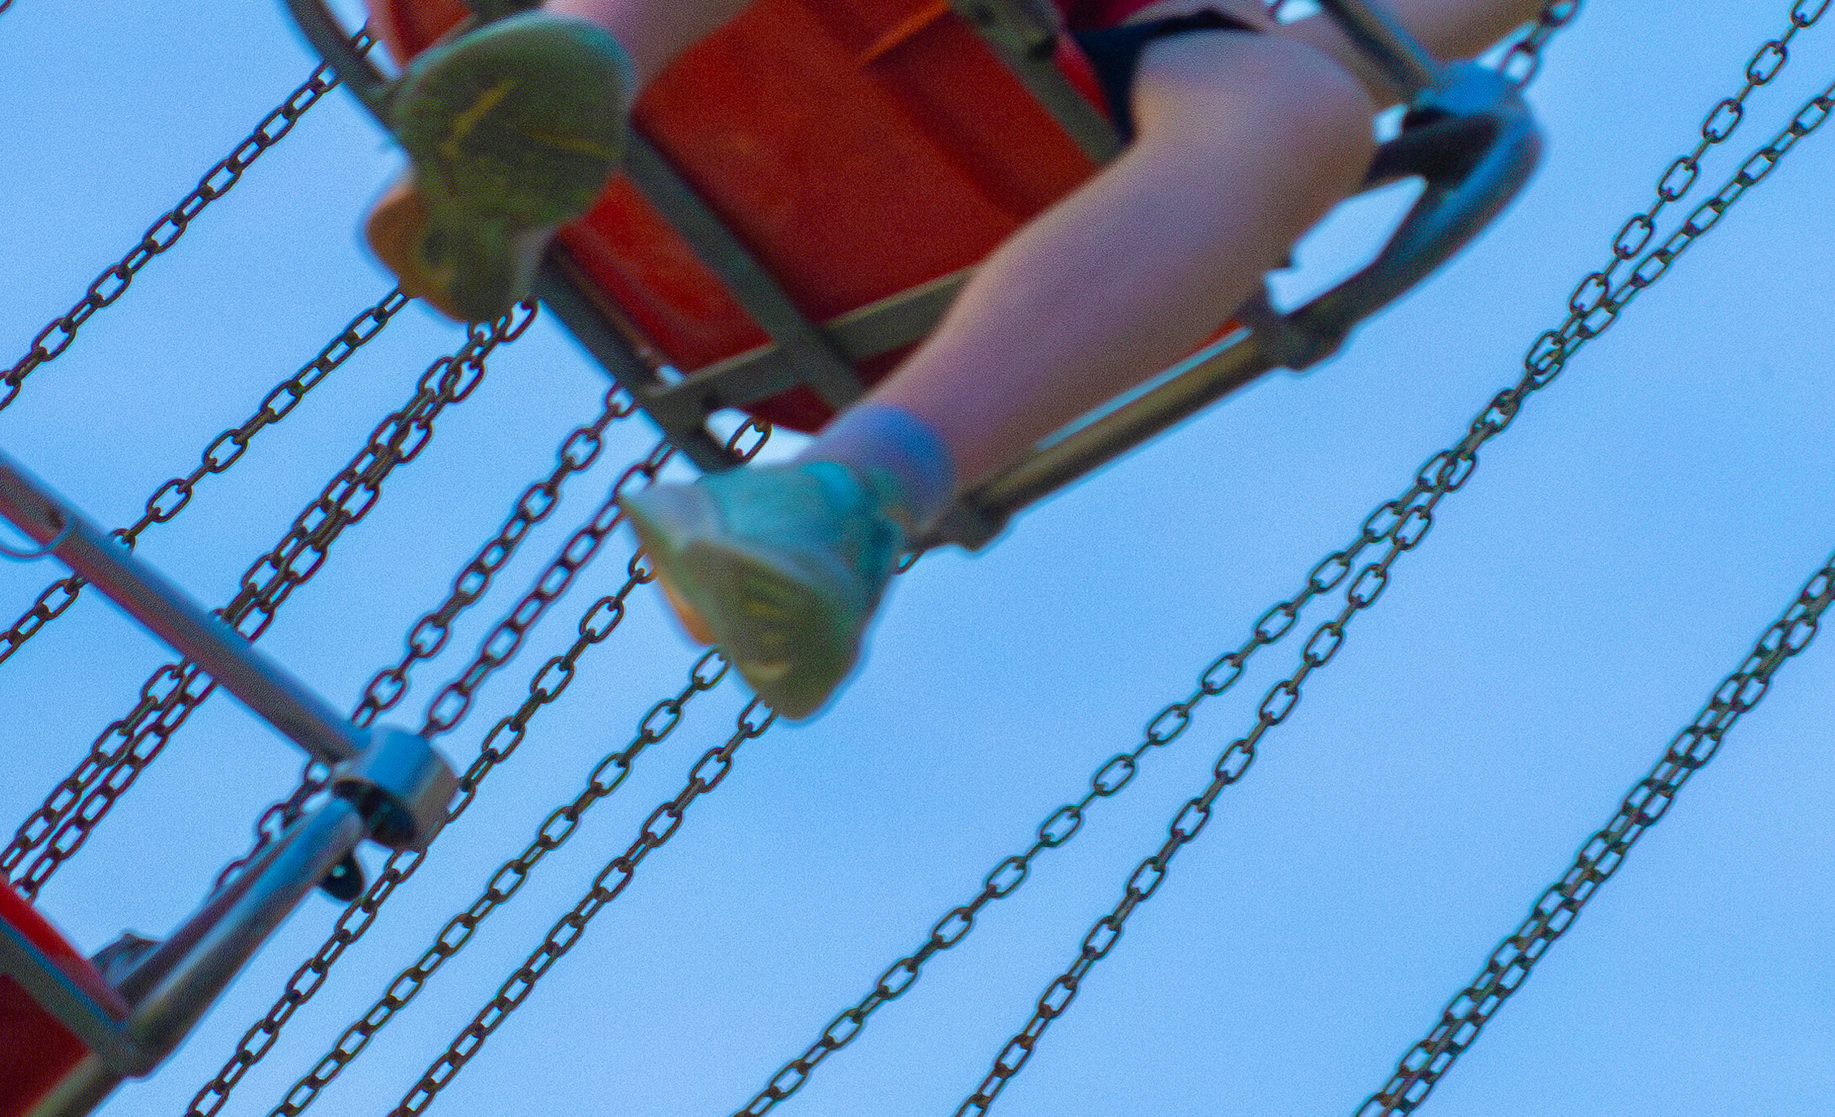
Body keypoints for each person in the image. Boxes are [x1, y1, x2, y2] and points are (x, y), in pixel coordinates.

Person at [360, 0, 1550, 716]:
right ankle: (543, 106)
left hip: (1023, 114)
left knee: (1307, 114)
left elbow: (1368, 44)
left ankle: (844, 498)